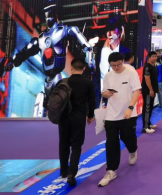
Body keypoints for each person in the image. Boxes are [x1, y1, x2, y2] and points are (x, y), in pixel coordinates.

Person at [98, 52, 141, 187]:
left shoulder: (131, 72)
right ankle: (111, 171)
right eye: (113, 65)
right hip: (111, 115)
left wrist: (130, 107)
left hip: (128, 113)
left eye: (118, 64)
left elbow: (136, 91)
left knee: (127, 137)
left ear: (123, 61)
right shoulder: (108, 76)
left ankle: (133, 150)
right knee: (111, 143)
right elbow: (104, 92)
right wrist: (107, 94)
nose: (116, 67)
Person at [58, 58, 95, 187]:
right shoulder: (88, 83)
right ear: (84, 69)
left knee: (64, 144)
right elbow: (91, 101)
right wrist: (90, 115)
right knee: (76, 145)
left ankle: (63, 171)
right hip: (79, 117)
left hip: (63, 117)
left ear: (71, 68)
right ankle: (71, 174)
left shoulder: (63, 81)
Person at [141, 51, 159, 134]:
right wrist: (151, 90)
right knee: (147, 107)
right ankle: (145, 127)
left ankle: (148, 123)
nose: (155, 58)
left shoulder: (154, 66)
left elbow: (154, 79)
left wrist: (156, 89)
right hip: (147, 90)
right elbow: (147, 79)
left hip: (153, 90)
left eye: (155, 56)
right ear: (149, 58)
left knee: (151, 107)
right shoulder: (147, 67)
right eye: (153, 56)